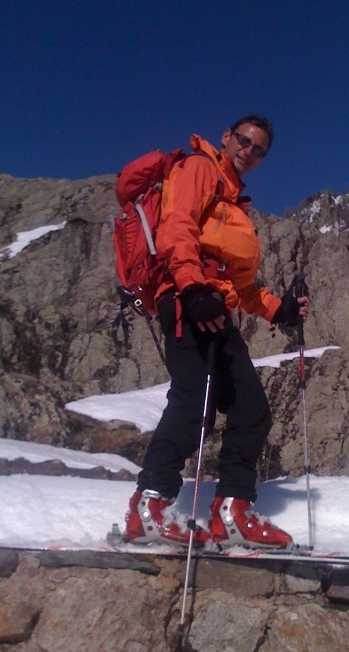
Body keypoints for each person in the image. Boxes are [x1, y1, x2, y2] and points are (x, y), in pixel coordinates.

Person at [124, 114, 310, 549]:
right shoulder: (199, 168)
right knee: (195, 402)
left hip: (213, 305)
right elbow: (176, 225)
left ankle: (232, 512)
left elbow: (240, 287)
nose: (249, 151)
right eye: (244, 141)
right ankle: (149, 507)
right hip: (186, 299)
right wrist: (191, 288)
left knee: (250, 408)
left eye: (259, 150)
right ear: (226, 137)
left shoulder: (234, 203)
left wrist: (278, 309)